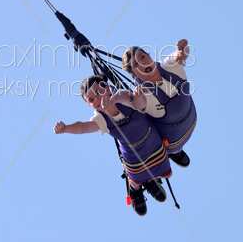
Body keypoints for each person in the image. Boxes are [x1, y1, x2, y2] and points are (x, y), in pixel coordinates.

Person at [54, 74, 172, 216]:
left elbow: (140, 105)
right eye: (91, 99)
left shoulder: (123, 97)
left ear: (108, 88)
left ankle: (151, 181)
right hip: (133, 157)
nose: (97, 99)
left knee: (161, 166)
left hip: (152, 143)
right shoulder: (101, 118)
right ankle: (135, 189)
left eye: (99, 92)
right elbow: (83, 127)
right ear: (89, 104)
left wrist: (139, 97)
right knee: (136, 177)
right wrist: (66, 128)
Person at [120, 39, 196, 166]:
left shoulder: (169, 66)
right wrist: (136, 101)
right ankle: (175, 153)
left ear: (150, 56)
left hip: (192, 122)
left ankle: (177, 152)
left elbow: (180, 56)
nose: (143, 63)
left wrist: (182, 49)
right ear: (134, 74)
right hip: (173, 143)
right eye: (136, 65)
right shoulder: (143, 93)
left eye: (143, 57)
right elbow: (141, 104)